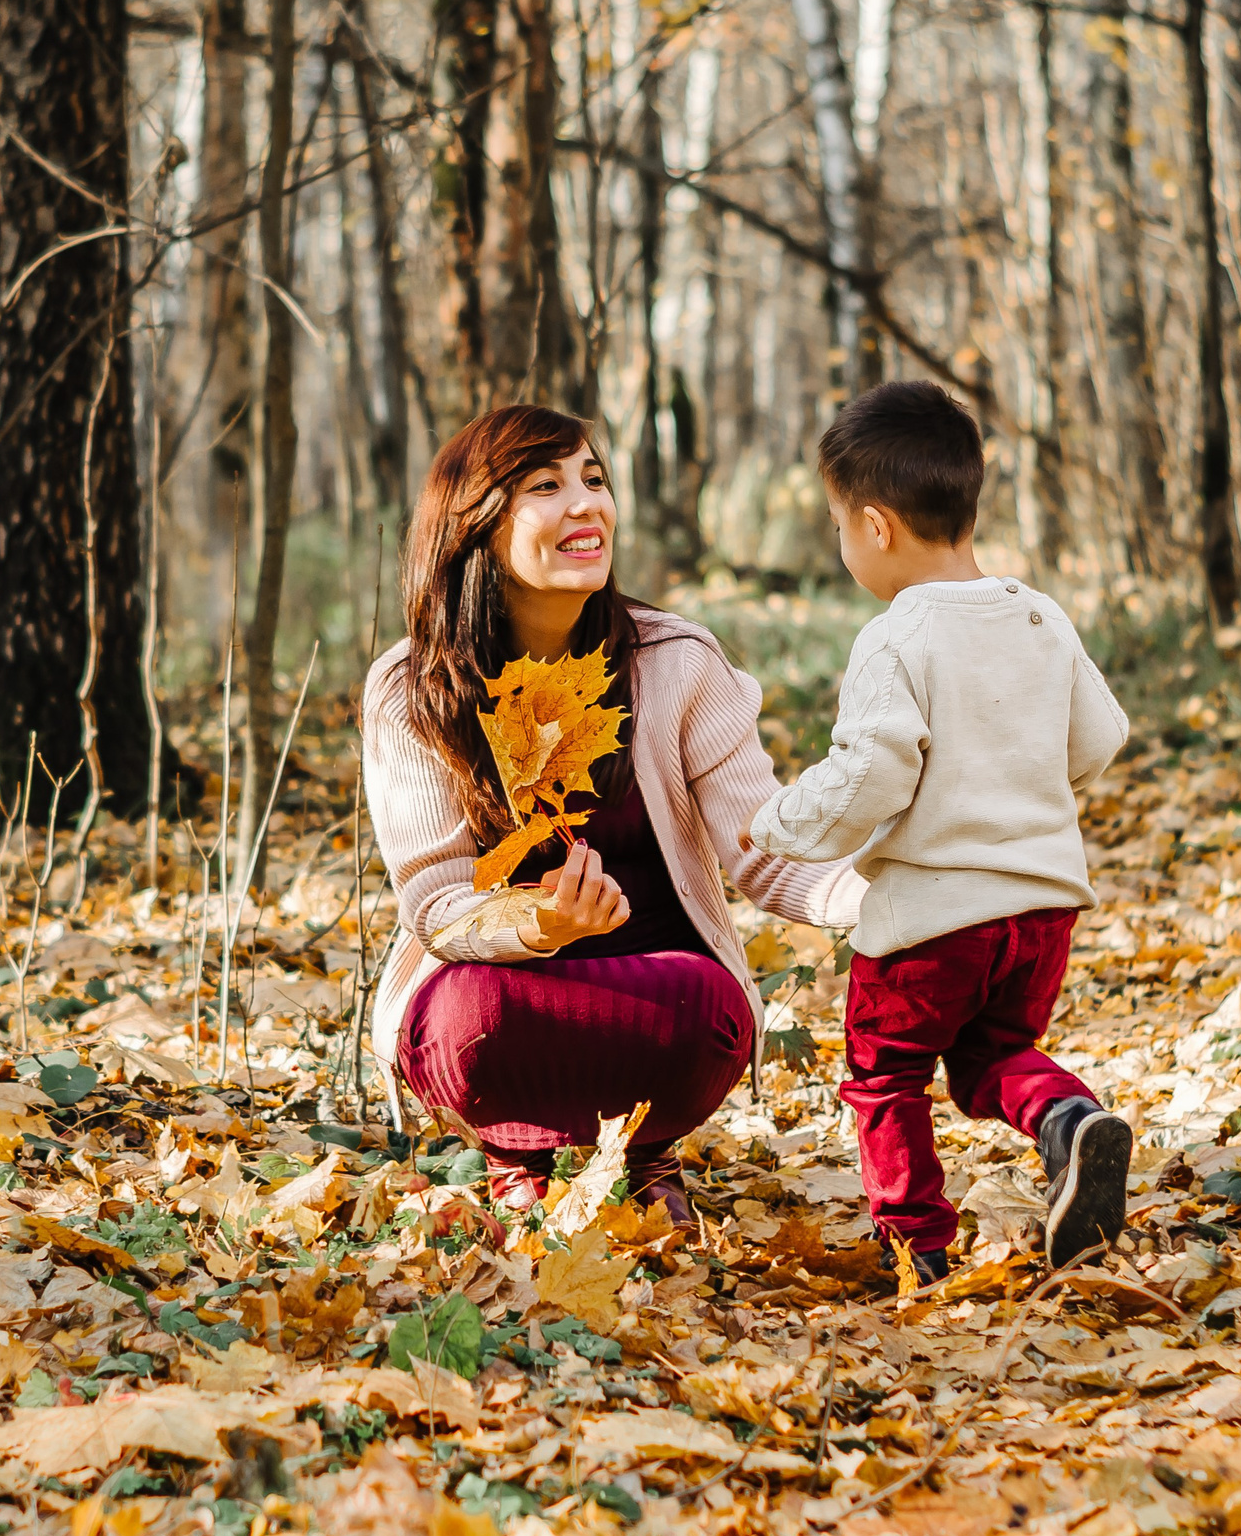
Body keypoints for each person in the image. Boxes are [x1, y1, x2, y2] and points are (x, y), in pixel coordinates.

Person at [361, 405, 865, 1221]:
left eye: (595, 480)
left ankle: (643, 1146)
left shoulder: (674, 660)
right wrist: (536, 928)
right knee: (467, 1017)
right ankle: (514, 1153)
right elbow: (435, 904)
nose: (586, 504)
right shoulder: (414, 689)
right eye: (546, 486)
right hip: (497, 998)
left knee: (710, 1006)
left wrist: (877, 901)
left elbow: (764, 846)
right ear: (478, 526)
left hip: (654, 994)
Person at [744, 381, 1132, 1278]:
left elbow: (873, 773)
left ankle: (916, 1243)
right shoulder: (1040, 614)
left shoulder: (897, 634)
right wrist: (1021, 787)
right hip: (1040, 915)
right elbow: (1102, 737)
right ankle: (1070, 1119)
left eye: (839, 524)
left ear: (876, 526)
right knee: (994, 1056)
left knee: (887, 1078)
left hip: (928, 923)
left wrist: (779, 823)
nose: (842, 543)